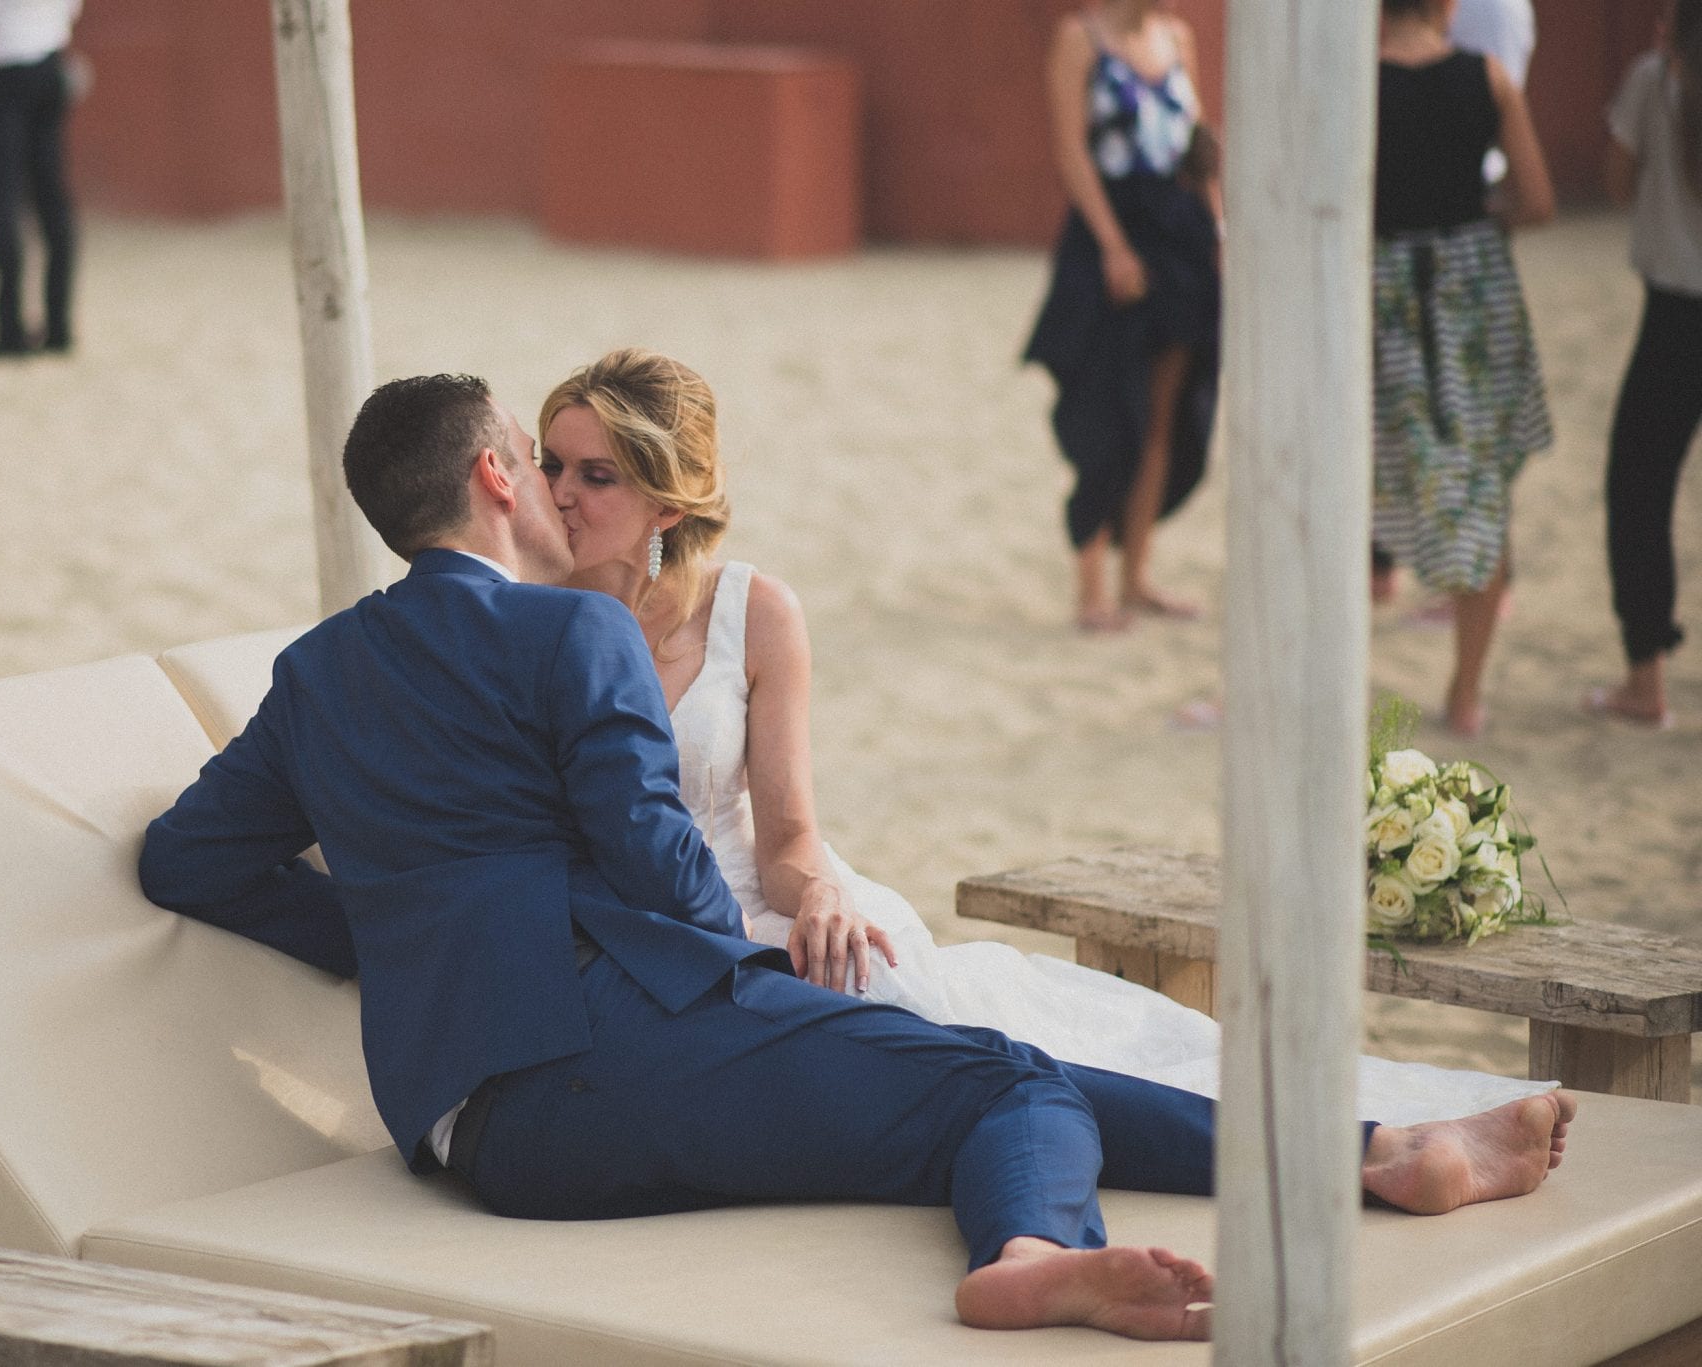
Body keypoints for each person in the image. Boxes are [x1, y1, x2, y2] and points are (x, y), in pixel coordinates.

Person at [141, 371, 1576, 1339]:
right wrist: (747, 978)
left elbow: (185, 860)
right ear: (494, 469)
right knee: (998, 1076)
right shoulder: (569, 628)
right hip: (611, 1051)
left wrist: (387, 937)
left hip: (477, 1128)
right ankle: (1025, 1255)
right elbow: (658, 864)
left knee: (982, 1073)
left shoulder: (318, 671)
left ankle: (1376, 1155)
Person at [542, 347, 1555, 1126]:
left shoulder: (755, 613)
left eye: (594, 475)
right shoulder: (523, 614)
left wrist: (825, 896)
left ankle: (1299, 1123)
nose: (557, 494)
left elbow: (788, 834)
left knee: (895, 986)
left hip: (750, 900)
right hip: (626, 932)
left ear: (666, 500)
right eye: (550, 465)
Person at [1373, 0, 1555, 737]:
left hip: (1382, 292)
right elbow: (1537, 201)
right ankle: (1467, 693)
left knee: (1365, 474)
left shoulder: (1357, 83)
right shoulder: (1487, 77)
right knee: (1483, 479)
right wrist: (1480, 219)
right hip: (1471, 291)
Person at [1024, 0, 1221, 632]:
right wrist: (1112, 246)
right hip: (1110, 236)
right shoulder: (1080, 39)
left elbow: (1198, 146)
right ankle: (1091, 592)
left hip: (1180, 239)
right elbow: (1070, 149)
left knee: (1165, 414)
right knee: (1109, 410)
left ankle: (1136, 579)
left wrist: (1218, 232)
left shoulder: (1177, 36)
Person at [1585, 0, 1702, 730]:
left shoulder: (1654, 81)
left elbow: (1616, 185)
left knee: (1639, 488)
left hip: (1675, 315)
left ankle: (1645, 677)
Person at [0, 0, 81, 357]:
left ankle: (10, 330)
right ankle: (59, 326)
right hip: (49, 67)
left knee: (3, 198)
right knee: (52, 197)